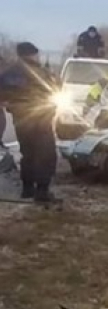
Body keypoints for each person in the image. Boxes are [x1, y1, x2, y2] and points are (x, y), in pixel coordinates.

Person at [0, 42, 58, 202]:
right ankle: (42, 191)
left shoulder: (9, 73)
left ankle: (27, 188)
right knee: (45, 154)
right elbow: (54, 91)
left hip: (21, 120)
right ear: (32, 54)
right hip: (41, 119)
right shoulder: (41, 73)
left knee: (28, 154)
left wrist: (10, 105)